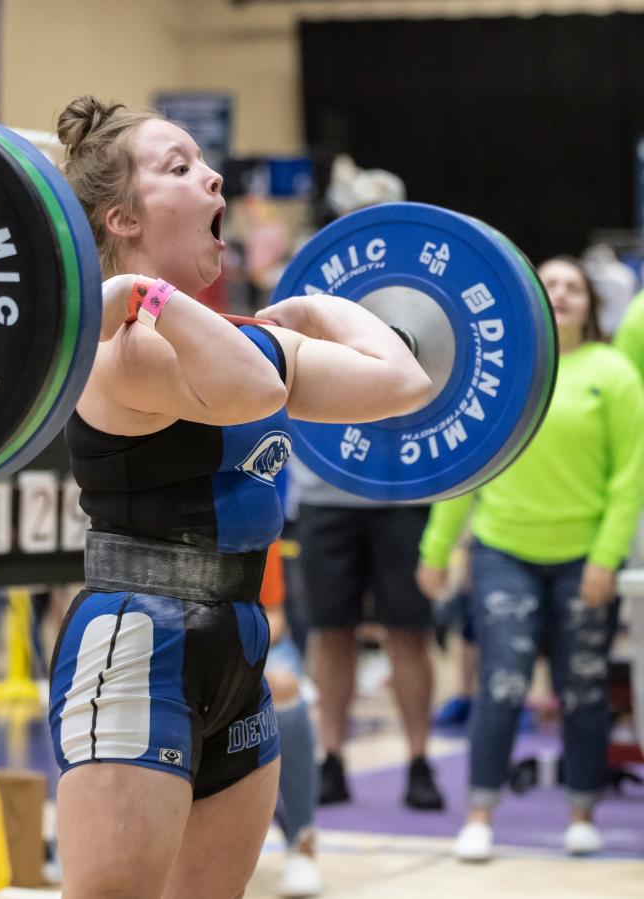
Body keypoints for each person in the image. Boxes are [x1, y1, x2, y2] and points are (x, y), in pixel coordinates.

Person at [47, 95, 430, 899]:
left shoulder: (229, 335)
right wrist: (155, 299)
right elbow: (257, 386)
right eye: (179, 167)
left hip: (240, 643)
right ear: (120, 217)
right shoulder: (119, 350)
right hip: (136, 642)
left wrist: (321, 303)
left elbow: (403, 380)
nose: (214, 174)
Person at [417, 256, 644, 861]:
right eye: (551, 285)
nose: (562, 294)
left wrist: (606, 558)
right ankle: (480, 816)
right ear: (532, 300)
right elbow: (467, 467)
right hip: (503, 551)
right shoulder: (506, 368)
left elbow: (629, 478)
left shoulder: (615, 373)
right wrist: (436, 548)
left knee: (584, 688)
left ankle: (582, 810)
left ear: (591, 305)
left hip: (583, 560)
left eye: (574, 287)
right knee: (501, 683)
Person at [289, 165, 444, 812]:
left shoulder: (431, 289)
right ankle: (330, 756)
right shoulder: (315, 286)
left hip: (405, 486)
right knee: (333, 630)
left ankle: (418, 759)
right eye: (359, 210)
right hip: (328, 487)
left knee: (409, 631)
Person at [262, 539, 322, 897]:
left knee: (283, 686)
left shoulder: (248, 503)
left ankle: (302, 839)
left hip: (244, 636)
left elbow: (274, 615)